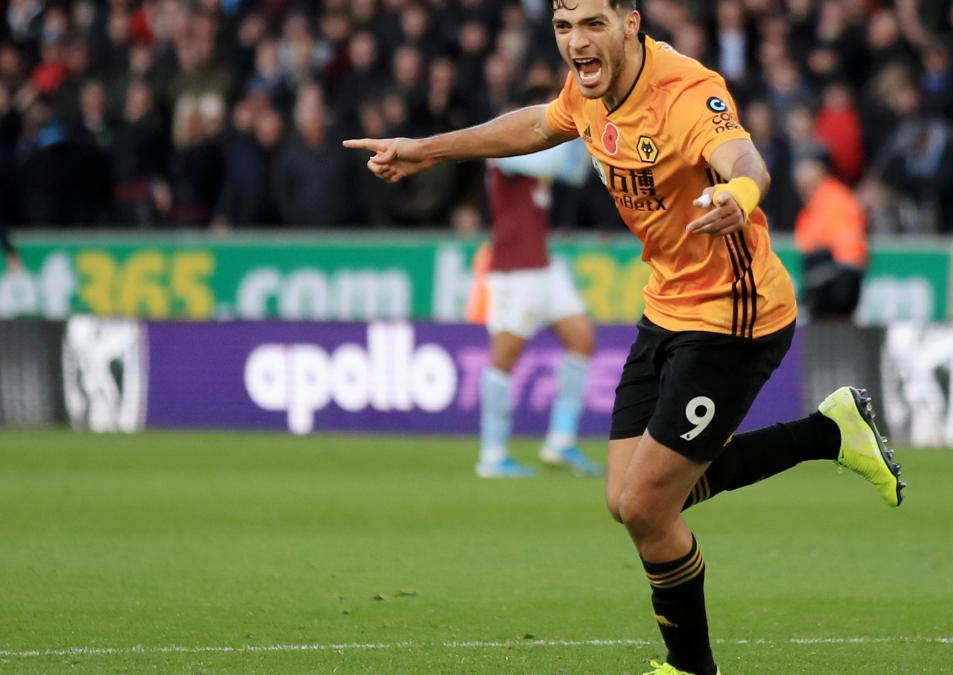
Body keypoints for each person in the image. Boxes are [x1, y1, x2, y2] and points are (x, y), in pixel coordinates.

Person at [345, 2, 904, 673]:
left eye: (591, 24)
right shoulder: (589, 94)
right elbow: (532, 126)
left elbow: (744, 157)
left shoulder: (686, 91)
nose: (576, 42)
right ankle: (830, 431)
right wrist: (425, 151)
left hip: (735, 317)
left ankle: (691, 666)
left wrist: (742, 197)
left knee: (646, 505)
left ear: (630, 22)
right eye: (563, 27)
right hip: (666, 306)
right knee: (626, 500)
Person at [468, 93, 602, 478]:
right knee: (505, 358)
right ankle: (492, 455)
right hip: (515, 269)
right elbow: (558, 159)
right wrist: (583, 119)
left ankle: (560, 441)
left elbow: (574, 172)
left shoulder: (535, 154)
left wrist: (580, 128)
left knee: (581, 339)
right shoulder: (503, 150)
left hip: (543, 264)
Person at [792, 150, 868, 319]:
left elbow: (849, 252)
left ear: (819, 171)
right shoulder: (815, 203)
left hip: (837, 283)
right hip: (828, 282)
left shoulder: (834, 201)